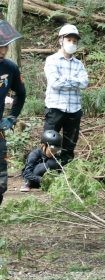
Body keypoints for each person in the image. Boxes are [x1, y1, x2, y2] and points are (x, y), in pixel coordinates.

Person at [44, 24, 88, 164]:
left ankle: (65, 175)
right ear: (61, 40)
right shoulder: (52, 60)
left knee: (69, 146)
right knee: (49, 144)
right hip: (55, 108)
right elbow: (55, 83)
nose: (72, 43)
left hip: (74, 110)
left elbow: (85, 83)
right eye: (69, 40)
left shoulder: (79, 64)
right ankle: (38, 175)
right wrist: (75, 81)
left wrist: (66, 80)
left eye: (74, 41)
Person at [0, 20, 25, 206]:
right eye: (0, 46)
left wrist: (12, 116)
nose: (3, 51)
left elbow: (21, 94)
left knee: (1, 181)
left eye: (6, 46)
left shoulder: (10, 68)